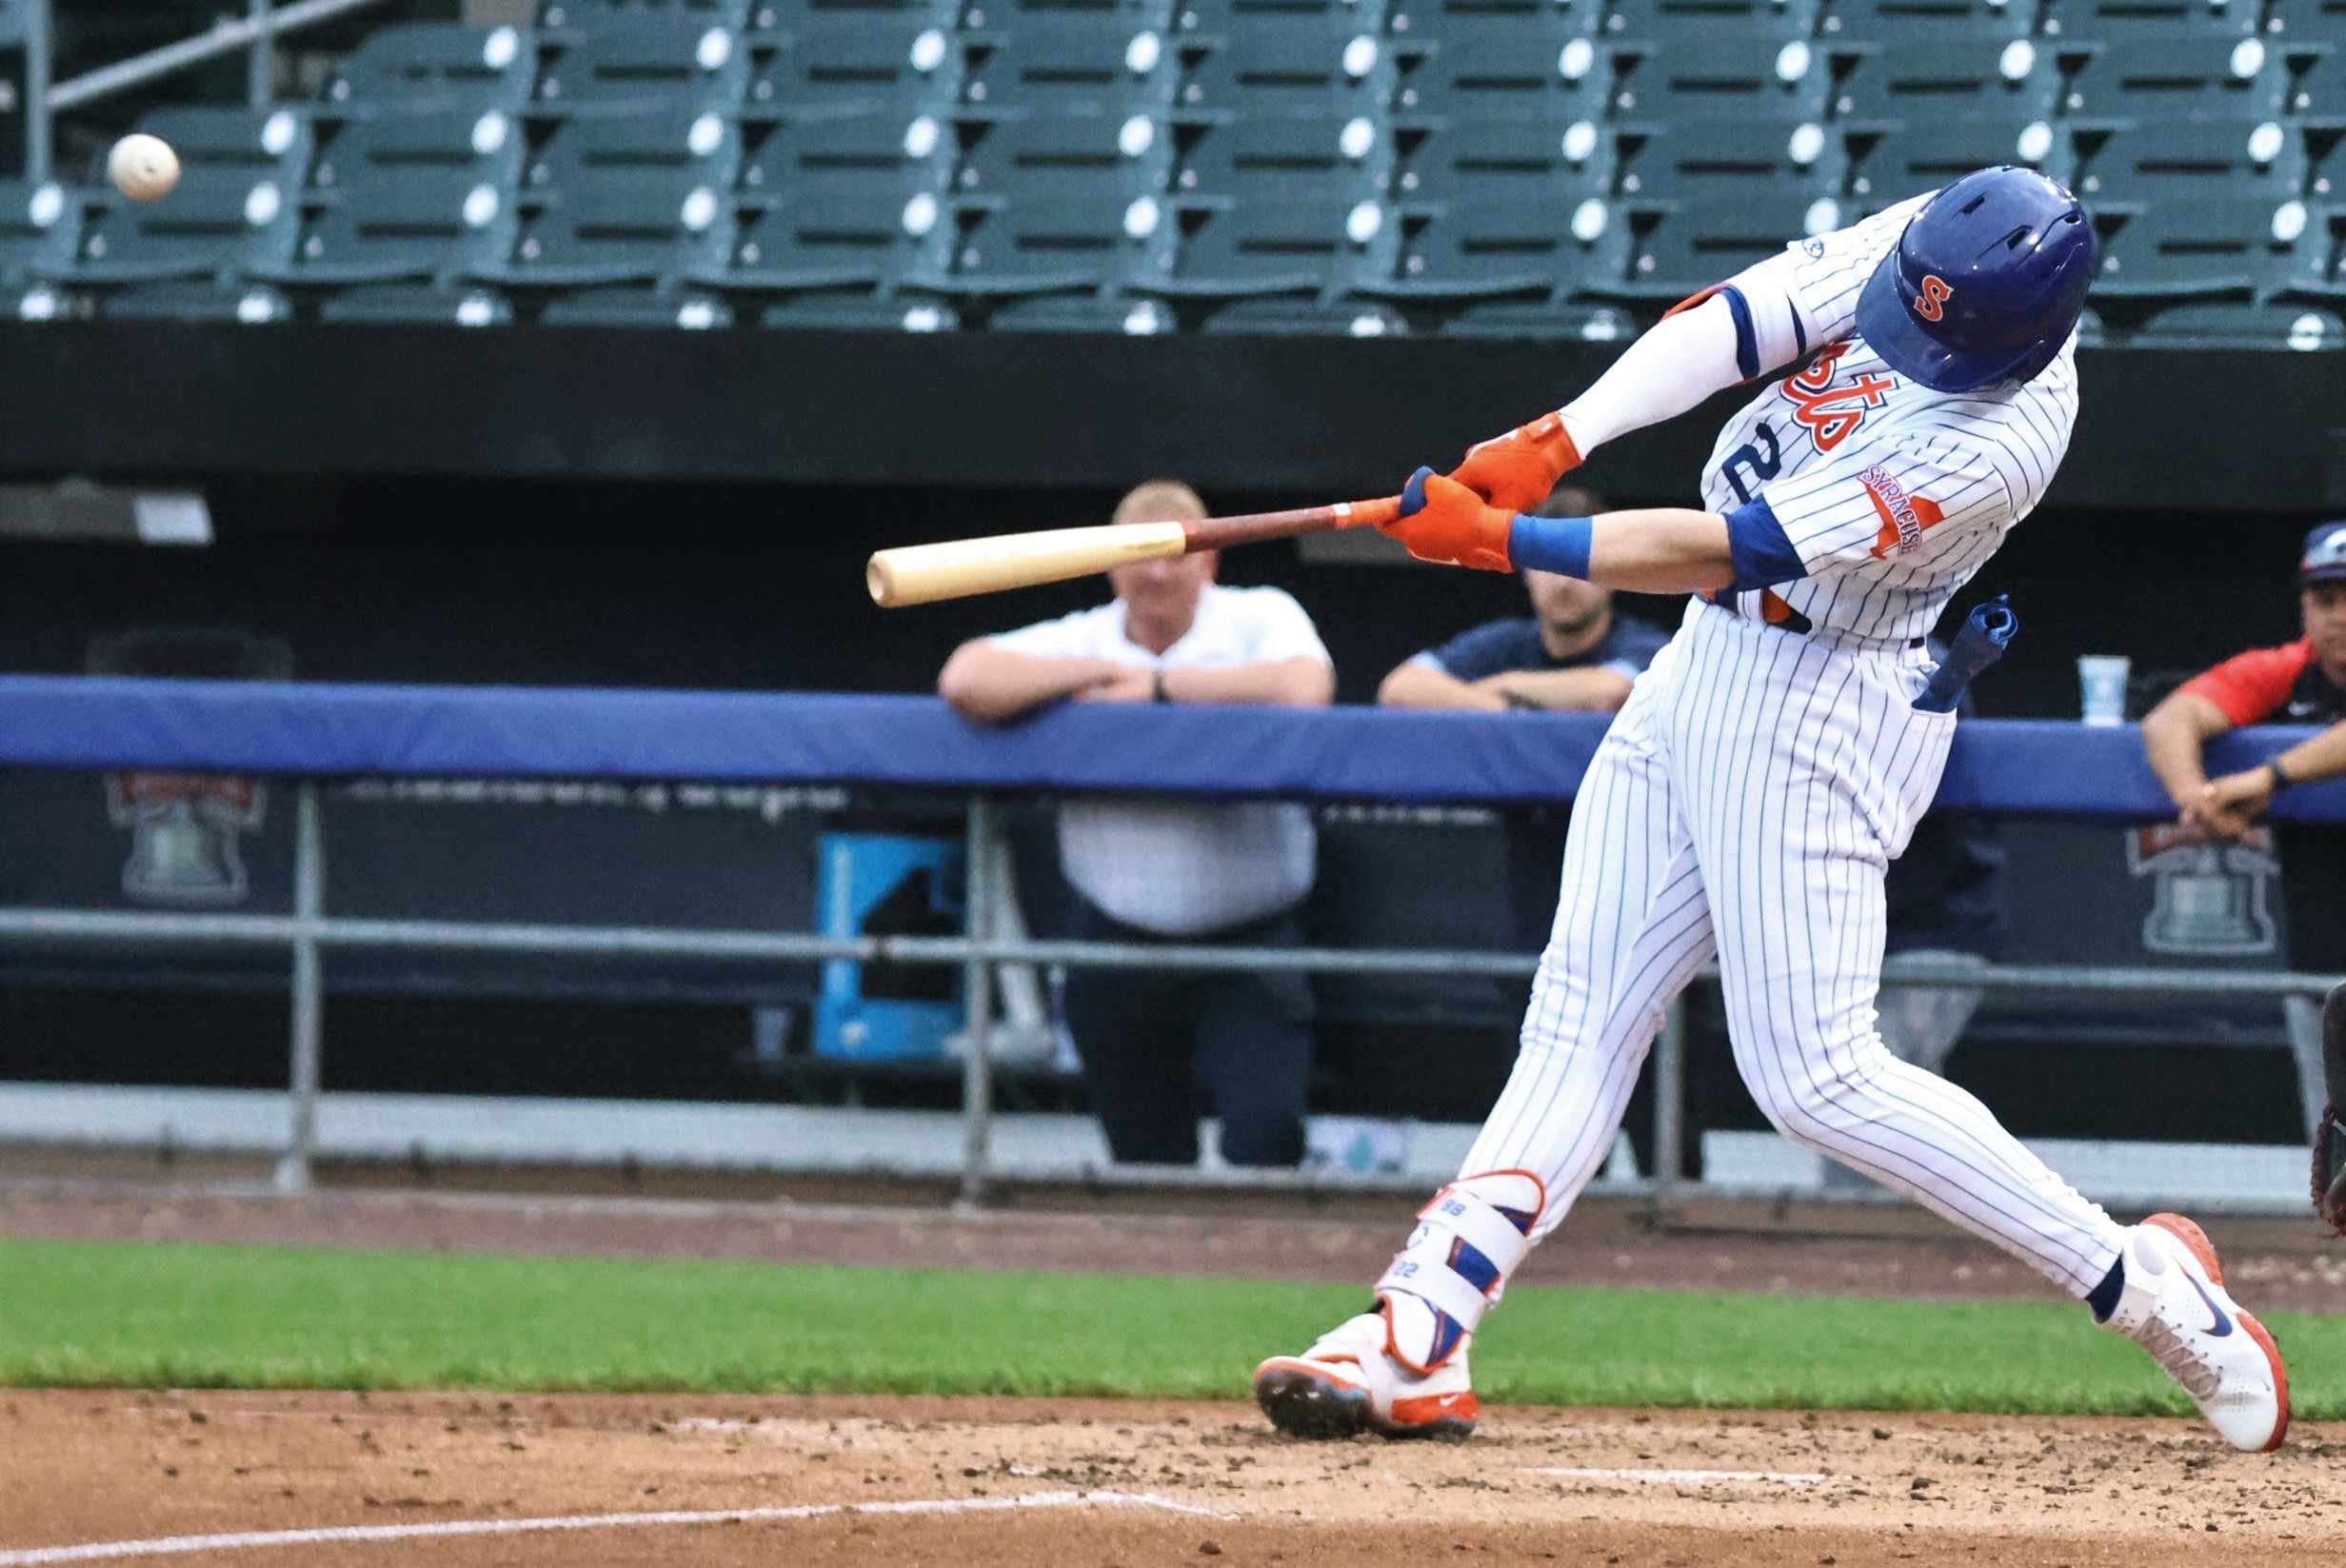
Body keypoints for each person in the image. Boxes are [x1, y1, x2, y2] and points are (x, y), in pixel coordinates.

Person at [1251, 168, 2287, 1452]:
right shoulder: (1942, 242)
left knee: (1815, 1076)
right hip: (1703, 662)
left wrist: (1508, 545)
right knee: (1579, 1009)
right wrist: (1556, 439)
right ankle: (1418, 1329)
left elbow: (1732, 545)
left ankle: (2150, 1291)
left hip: (1820, 697)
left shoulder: (1995, 440)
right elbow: (1736, 320)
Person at [938, 480, 1337, 1167]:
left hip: (1251, 936)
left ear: (1209, 561)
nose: (1157, 570)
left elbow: (1306, 689)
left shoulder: (1258, 616)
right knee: (1144, 1157)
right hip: (1117, 936)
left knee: (1265, 1136)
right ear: (1110, 563)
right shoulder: (1085, 636)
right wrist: (1096, 672)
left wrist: (1156, 688)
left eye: (1176, 553)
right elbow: (965, 678)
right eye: (1140, 554)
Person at [1379, 483, 1674, 953]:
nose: (1563, 581)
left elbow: (1610, 688)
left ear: (1615, 573)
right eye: (1548, 564)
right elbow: (1401, 688)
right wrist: (1504, 709)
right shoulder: (1509, 642)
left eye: (1579, 565)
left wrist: (1504, 685)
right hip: (1527, 869)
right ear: (1525, 574)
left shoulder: (1643, 642)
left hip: (1631, 863)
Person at [2140, 519, 2346, 1137]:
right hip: (2324, 944)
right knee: (2333, 1132)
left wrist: (2268, 777)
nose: (2339, 615)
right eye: (2326, 599)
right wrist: (2196, 800)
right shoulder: (2287, 670)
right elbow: (2169, 721)